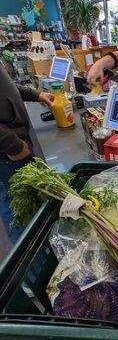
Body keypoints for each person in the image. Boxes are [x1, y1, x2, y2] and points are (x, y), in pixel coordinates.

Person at [0, 63, 54, 244]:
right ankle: (28, 262)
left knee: (28, 201)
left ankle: (39, 243)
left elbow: (6, 86)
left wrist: (35, 94)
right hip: (7, 152)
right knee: (16, 206)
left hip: (13, 144)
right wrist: (13, 145)